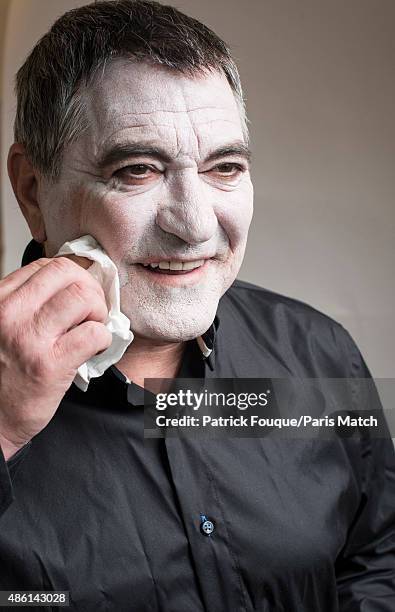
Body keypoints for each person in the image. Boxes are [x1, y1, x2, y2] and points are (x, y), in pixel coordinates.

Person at [0, 1, 394, 610]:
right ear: (32, 188)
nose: (194, 226)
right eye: (138, 170)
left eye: (225, 167)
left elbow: (377, 560)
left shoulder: (320, 351)